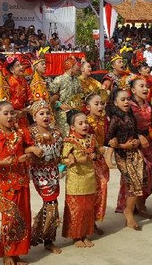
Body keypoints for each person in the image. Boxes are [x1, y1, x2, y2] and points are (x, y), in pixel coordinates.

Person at [0, 101, 42, 265]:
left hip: (21, 181)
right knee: (10, 217)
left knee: (22, 218)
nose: (10, 116)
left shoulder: (21, 132)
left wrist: (31, 152)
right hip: (3, 184)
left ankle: (17, 253)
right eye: (5, 113)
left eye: (12, 113)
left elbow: (26, 148)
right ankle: (7, 253)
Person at [105, 88, 147, 231]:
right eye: (122, 100)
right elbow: (108, 140)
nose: (126, 102)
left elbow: (134, 132)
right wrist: (124, 145)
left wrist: (136, 141)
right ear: (115, 103)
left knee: (139, 183)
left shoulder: (130, 115)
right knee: (133, 184)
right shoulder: (115, 119)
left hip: (134, 153)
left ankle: (131, 208)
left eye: (128, 99)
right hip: (122, 155)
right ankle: (128, 212)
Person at [27, 100, 63, 254]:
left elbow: (62, 151)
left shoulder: (57, 132)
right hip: (39, 173)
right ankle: (48, 240)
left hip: (54, 173)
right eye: (41, 113)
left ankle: (36, 233)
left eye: (48, 113)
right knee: (52, 203)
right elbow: (23, 149)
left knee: (50, 203)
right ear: (34, 117)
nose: (46, 116)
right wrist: (32, 149)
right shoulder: (30, 133)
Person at [61, 110, 100, 247]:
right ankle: (76, 236)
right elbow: (63, 158)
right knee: (76, 209)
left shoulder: (91, 138)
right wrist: (72, 159)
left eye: (86, 123)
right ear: (72, 127)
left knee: (88, 208)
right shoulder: (69, 141)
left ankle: (85, 234)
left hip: (89, 178)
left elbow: (97, 151)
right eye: (81, 123)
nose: (85, 125)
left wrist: (96, 154)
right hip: (76, 179)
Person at [84, 93, 109, 231]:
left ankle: (92, 221)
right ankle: (87, 223)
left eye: (102, 103)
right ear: (88, 107)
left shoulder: (105, 120)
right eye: (96, 104)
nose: (100, 106)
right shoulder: (84, 122)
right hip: (89, 161)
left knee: (101, 188)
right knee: (92, 190)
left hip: (100, 160)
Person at [49, 57, 83, 136]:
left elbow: (80, 94)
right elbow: (49, 98)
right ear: (71, 67)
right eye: (76, 65)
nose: (78, 67)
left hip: (75, 112)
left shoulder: (76, 80)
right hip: (62, 113)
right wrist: (59, 105)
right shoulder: (59, 79)